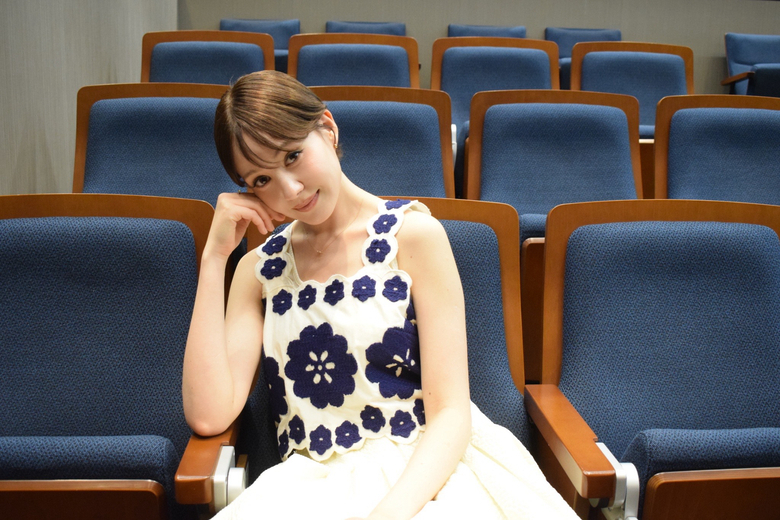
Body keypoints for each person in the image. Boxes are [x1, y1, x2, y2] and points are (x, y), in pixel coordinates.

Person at [182, 70, 578, 520]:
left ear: (327, 129)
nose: (289, 190)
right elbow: (209, 416)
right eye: (260, 180)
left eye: (293, 156)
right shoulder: (259, 270)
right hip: (311, 486)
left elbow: (451, 412)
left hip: (425, 475)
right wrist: (215, 258)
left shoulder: (414, 236)